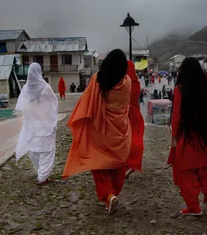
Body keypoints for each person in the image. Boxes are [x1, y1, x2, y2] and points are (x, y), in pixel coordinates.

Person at [63, 49, 132, 214]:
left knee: (99, 164)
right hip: (121, 128)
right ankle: (113, 193)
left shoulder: (98, 80)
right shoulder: (127, 82)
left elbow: (87, 104)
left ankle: (109, 195)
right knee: (118, 163)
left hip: (101, 130)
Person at [168, 58, 207, 216]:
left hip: (188, 136)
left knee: (186, 171)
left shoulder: (180, 89)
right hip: (205, 134)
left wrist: (174, 136)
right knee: (202, 165)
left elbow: (177, 116)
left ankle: (194, 207)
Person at [15, 63, 58, 186]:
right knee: (47, 152)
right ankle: (42, 177)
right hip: (45, 125)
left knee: (34, 152)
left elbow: (23, 107)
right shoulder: (46, 87)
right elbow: (53, 104)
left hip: (32, 127)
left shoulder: (25, 89)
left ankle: (41, 173)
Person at [125, 61, 145, 179]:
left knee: (126, 140)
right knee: (136, 138)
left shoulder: (124, 84)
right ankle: (133, 163)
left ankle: (127, 165)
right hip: (136, 114)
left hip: (126, 115)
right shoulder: (136, 84)